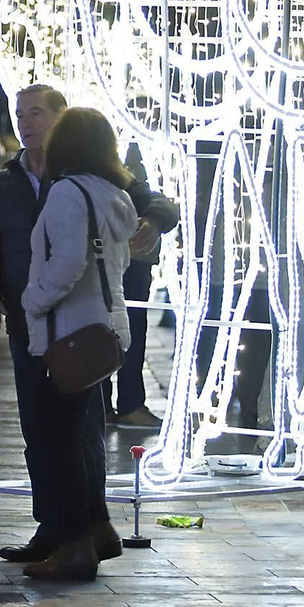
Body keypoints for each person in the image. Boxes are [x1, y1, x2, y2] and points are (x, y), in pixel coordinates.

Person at [18, 107, 138, 582]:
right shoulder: (113, 193)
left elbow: (67, 262)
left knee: (59, 439)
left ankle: (74, 546)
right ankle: (97, 527)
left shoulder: (68, 192)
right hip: (105, 328)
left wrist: (33, 299)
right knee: (80, 436)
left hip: (73, 331)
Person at [106, 141, 181, 429]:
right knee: (114, 332)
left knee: (131, 332)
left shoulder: (136, 150)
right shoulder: (124, 149)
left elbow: (159, 202)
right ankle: (116, 405)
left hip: (133, 259)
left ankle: (127, 404)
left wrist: (153, 219)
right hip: (115, 259)